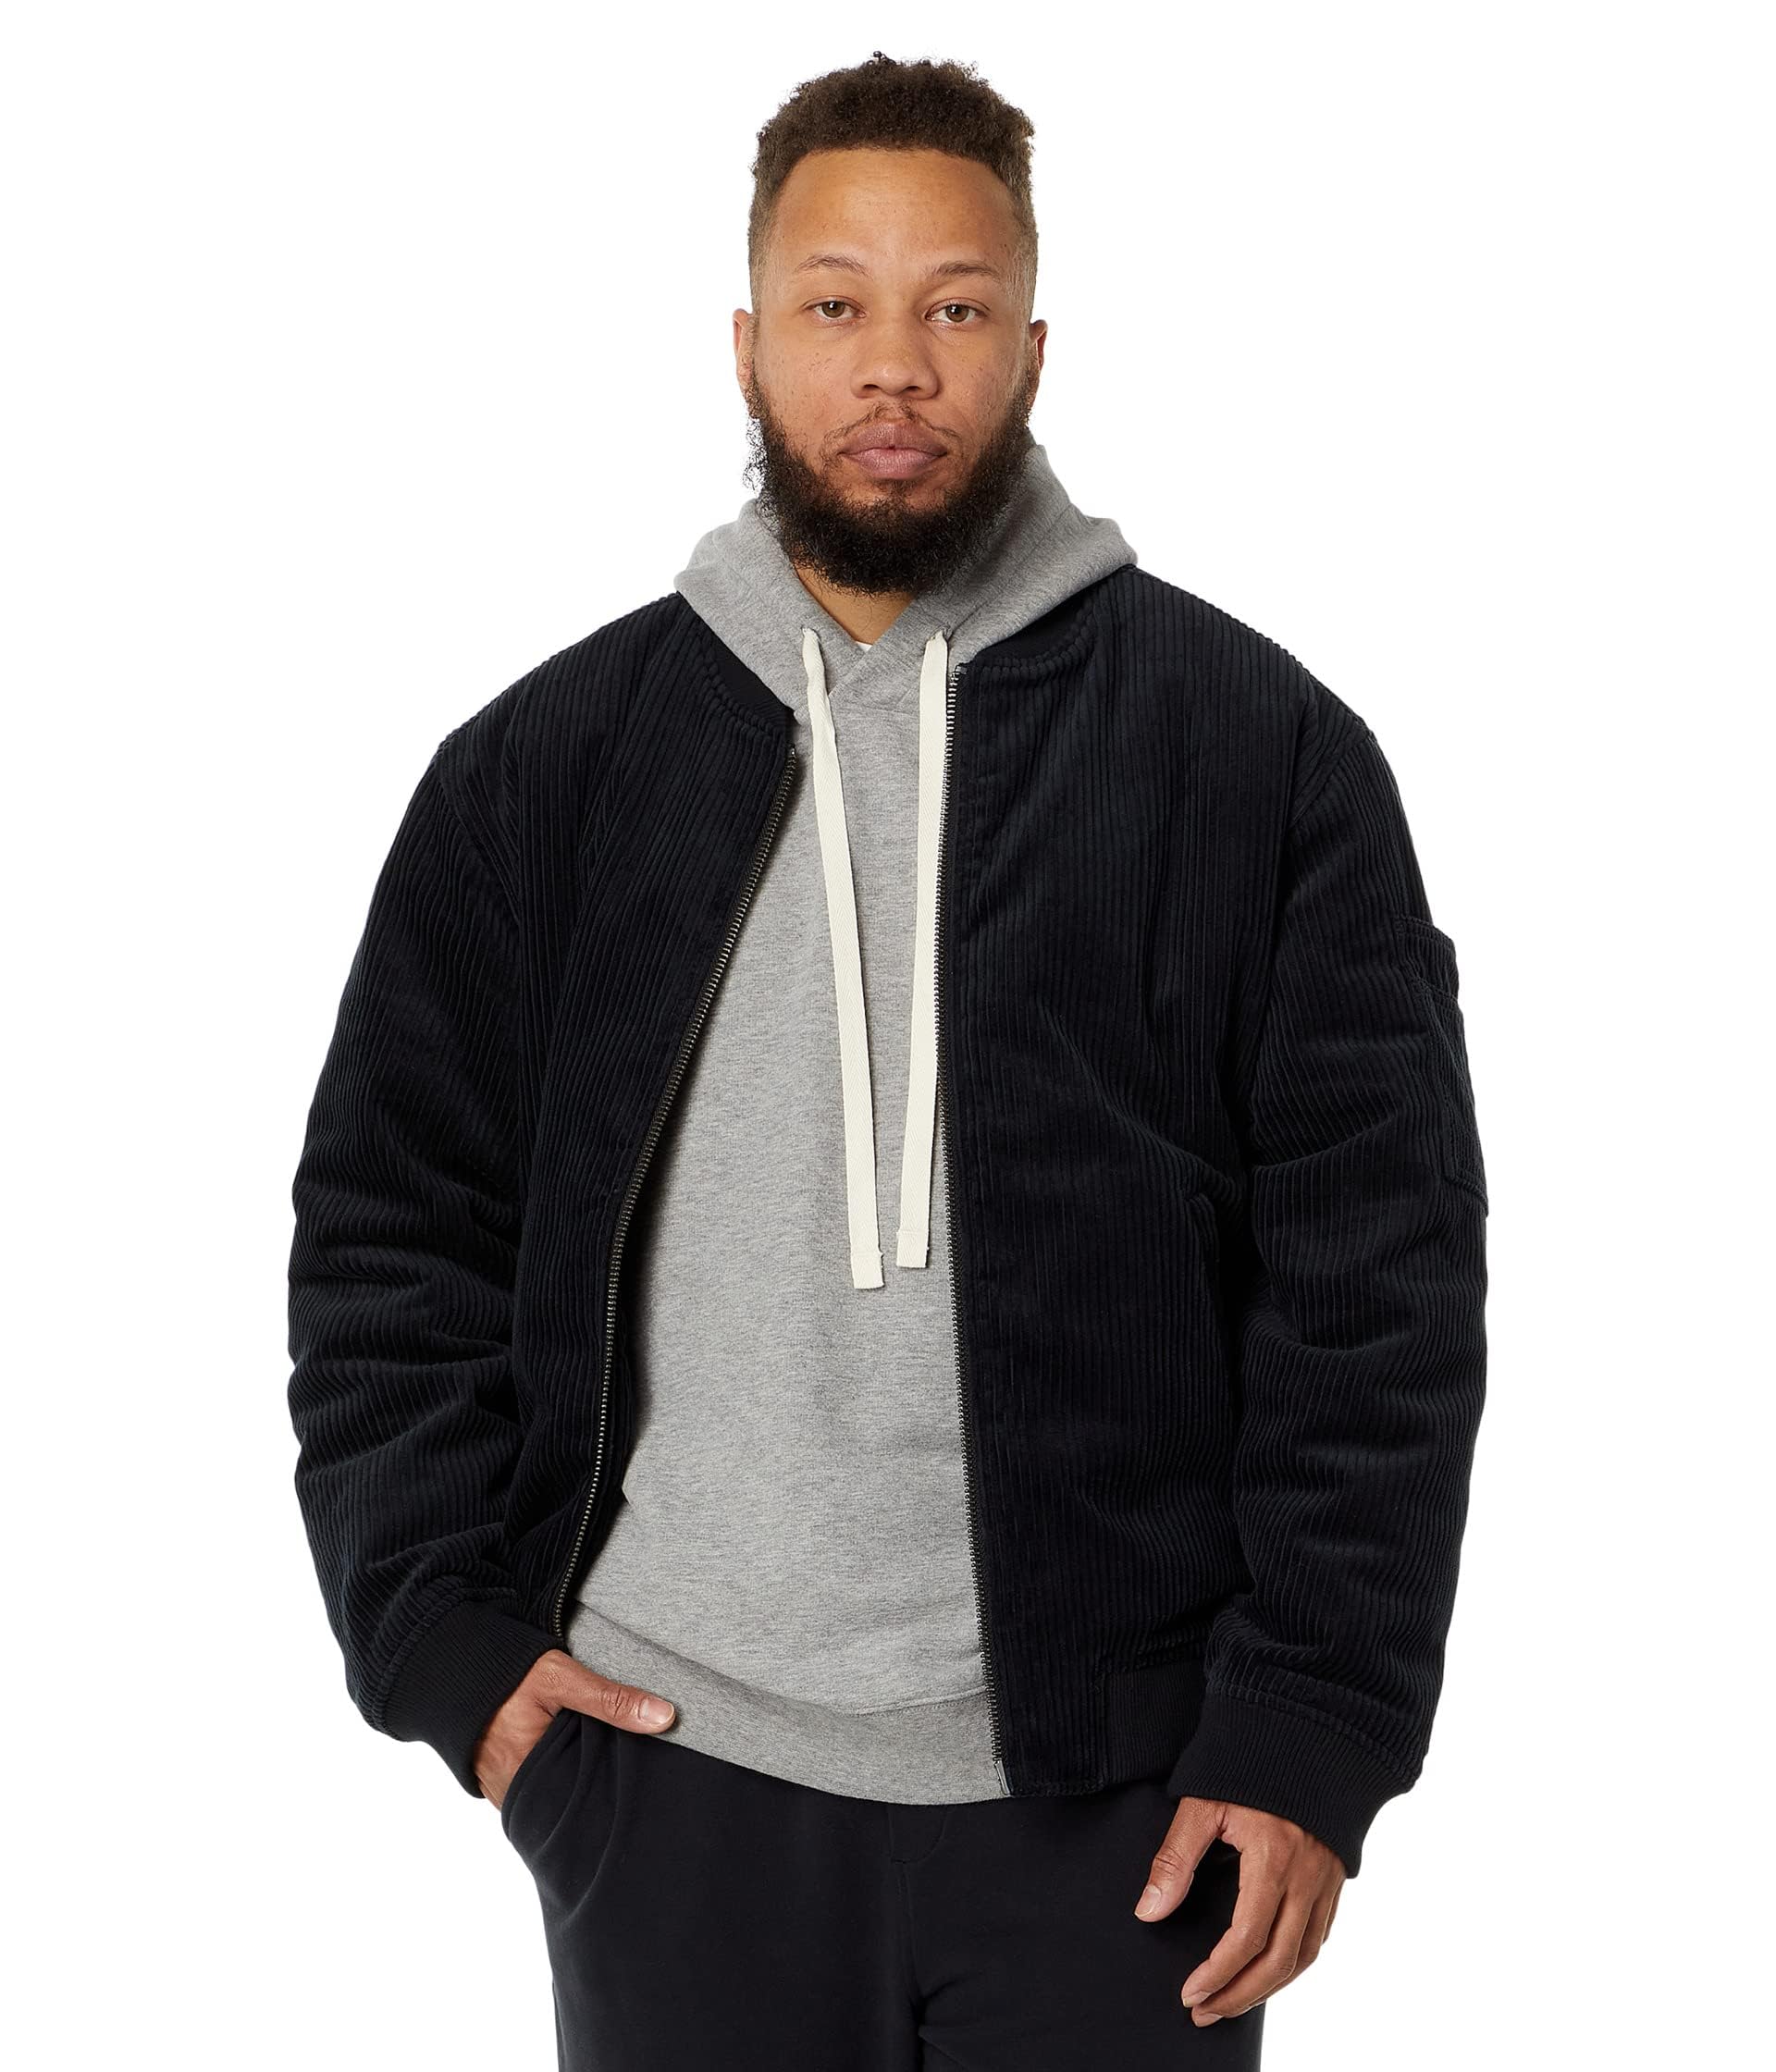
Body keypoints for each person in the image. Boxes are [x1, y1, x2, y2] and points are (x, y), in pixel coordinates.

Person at [287, 50, 1488, 2070]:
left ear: (1035, 345)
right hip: (670, 1772)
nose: (896, 367)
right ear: (749, 344)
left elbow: (1380, 1281)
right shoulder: (548, 769)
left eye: (957, 306)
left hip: (1129, 1804)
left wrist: (1310, 1724)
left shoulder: (1259, 754)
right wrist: (443, 1639)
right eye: (836, 304)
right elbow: (392, 1228)